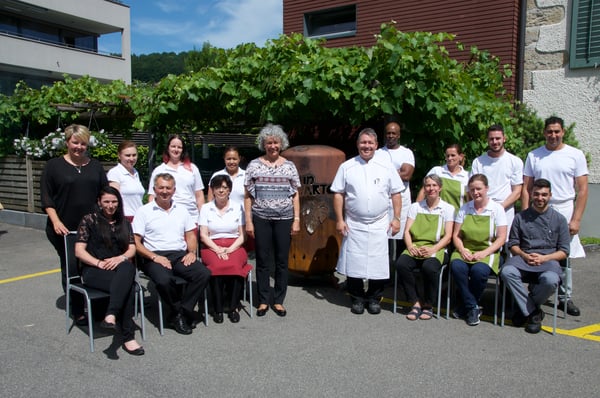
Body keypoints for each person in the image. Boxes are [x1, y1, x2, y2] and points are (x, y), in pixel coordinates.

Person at [41, 124, 108, 324]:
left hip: (92, 228)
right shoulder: (53, 166)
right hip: (64, 229)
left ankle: (98, 307)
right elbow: (46, 198)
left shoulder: (95, 166)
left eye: (83, 143)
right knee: (71, 267)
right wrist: (55, 221)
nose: (79, 147)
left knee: (94, 266)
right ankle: (77, 309)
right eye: (75, 142)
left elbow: (104, 194)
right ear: (67, 142)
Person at [332, 128, 403, 315]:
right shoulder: (346, 167)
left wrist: (396, 218)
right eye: (363, 142)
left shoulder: (386, 167)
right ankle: (356, 298)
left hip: (380, 222)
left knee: (378, 263)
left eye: (370, 143)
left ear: (376, 145)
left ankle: (373, 298)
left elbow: (396, 194)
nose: (367, 146)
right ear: (357, 145)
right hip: (354, 222)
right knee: (354, 261)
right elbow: (338, 194)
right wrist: (340, 219)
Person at [522, 116, 588, 316]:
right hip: (537, 210)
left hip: (563, 208)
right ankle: (537, 291)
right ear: (544, 133)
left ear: (563, 132)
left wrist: (576, 218)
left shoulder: (575, 155)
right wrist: (525, 215)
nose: (553, 135)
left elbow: (583, 189)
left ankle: (564, 298)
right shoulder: (534, 155)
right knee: (537, 248)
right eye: (549, 131)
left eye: (557, 131)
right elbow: (527, 187)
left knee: (564, 255)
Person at [133, 173, 211, 335]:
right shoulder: (144, 211)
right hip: (153, 256)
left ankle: (182, 311)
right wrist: (154, 257)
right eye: (161, 187)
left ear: (174, 190)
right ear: (154, 189)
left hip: (178, 254)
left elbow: (190, 235)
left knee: (203, 273)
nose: (164, 191)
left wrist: (191, 252)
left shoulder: (181, 210)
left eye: (168, 188)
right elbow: (136, 242)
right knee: (163, 280)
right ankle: (178, 312)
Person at [74, 186, 144, 355]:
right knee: (126, 286)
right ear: (99, 202)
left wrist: (120, 258)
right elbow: (79, 251)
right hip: (94, 270)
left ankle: (111, 314)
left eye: (114, 202)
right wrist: (98, 263)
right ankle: (128, 338)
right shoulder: (89, 220)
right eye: (106, 202)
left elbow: (131, 249)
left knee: (127, 266)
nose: (111, 205)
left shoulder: (124, 222)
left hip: (119, 269)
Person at [244, 124, 301, 317]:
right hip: (261, 218)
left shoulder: (289, 166)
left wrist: (297, 220)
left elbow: (295, 195)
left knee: (281, 261)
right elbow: (247, 196)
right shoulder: (254, 165)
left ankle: (278, 300)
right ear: (264, 144)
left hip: (284, 218)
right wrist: (249, 221)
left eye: (276, 142)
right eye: (269, 142)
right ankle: (262, 300)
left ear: (281, 143)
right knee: (262, 260)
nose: (273, 146)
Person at [500, 179, 570, 334]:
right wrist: (524, 255)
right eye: (536, 194)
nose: (540, 198)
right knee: (506, 272)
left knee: (551, 280)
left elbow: (564, 251)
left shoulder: (559, 219)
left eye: (544, 195)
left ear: (550, 195)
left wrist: (545, 258)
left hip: (548, 259)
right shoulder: (520, 217)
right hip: (524, 258)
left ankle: (525, 309)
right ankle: (534, 313)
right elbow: (513, 244)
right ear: (531, 195)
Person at [450, 174, 507, 326]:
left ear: (487, 189)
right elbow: (456, 235)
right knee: (457, 266)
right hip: (466, 249)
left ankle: (465, 306)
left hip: (488, 251)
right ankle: (472, 306)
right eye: (472, 189)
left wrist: (484, 253)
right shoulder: (464, 208)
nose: (475, 192)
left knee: (478, 271)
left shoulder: (497, 209)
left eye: (479, 189)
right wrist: (462, 250)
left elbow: (501, 238)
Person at [395, 174, 454, 320]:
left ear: (440, 188)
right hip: (415, 246)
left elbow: (448, 236)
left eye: (434, 185)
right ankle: (415, 302)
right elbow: (407, 231)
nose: (431, 188)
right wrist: (410, 246)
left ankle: (428, 304)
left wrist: (433, 249)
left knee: (429, 268)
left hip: (437, 248)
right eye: (428, 185)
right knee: (401, 264)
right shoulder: (415, 207)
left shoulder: (447, 208)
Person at [200, 175, 251, 324]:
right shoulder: (205, 208)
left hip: (235, 244)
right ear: (213, 190)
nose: (221, 190)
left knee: (235, 266)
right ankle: (218, 308)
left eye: (225, 187)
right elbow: (203, 235)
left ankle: (233, 307)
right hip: (212, 244)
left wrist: (230, 249)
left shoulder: (238, 207)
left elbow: (243, 236)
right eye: (217, 187)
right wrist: (217, 249)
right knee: (216, 266)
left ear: (229, 190)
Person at [471, 125, 523, 229]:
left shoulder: (515, 161)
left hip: (505, 212)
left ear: (504, 138)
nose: (495, 142)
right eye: (491, 139)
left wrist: (499, 208)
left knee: (503, 242)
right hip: (481, 212)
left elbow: (517, 192)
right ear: (487, 140)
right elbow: (473, 189)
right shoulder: (478, 162)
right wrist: (485, 208)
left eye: (498, 138)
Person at [377, 121, 415, 253]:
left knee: (401, 236)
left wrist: (385, 173)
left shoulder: (406, 153)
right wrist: (397, 171)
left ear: (399, 135)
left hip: (402, 200)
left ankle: (398, 270)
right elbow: (374, 174)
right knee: (382, 237)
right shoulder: (378, 154)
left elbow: (407, 175)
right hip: (382, 201)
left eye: (393, 133)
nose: (390, 136)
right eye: (388, 133)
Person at [148, 134, 204, 219]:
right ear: (168, 148)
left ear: (183, 150)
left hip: (191, 217)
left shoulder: (192, 168)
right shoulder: (159, 170)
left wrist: (202, 218)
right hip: (166, 217)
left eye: (179, 147)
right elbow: (152, 196)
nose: (176, 149)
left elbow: (199, 195)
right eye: (173, 146)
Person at [416, 143, 469, 212]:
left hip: (458, 217)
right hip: (437, 214)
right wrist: (416, 210)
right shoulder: (437, 171)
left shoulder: (467, 176)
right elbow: (423, 191)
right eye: (447, 156)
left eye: (453, 155)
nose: (450, 158)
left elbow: (469, 200)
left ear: (461, 157)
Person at [107, 140, 145, 222]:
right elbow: (113, 198)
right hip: (124, 219)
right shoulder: (115, 173)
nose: (131, 158)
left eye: (134, 155)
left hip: (138, 218)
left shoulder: (135, 172)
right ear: (119, 156)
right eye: (128, 155)